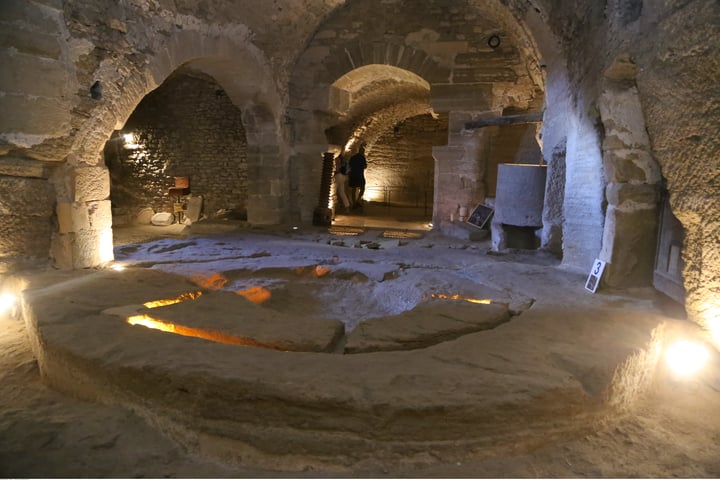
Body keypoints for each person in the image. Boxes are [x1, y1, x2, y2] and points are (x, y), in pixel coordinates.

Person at [348, 143, 367, 210]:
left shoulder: (353, 157)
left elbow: (349, 165)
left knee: (353, 189)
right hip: (359, 175)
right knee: (362, 188)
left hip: (353, 175)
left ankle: (354, 203)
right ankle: (357, 200)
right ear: (362, 152)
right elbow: (365, 166)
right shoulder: (362, 158)